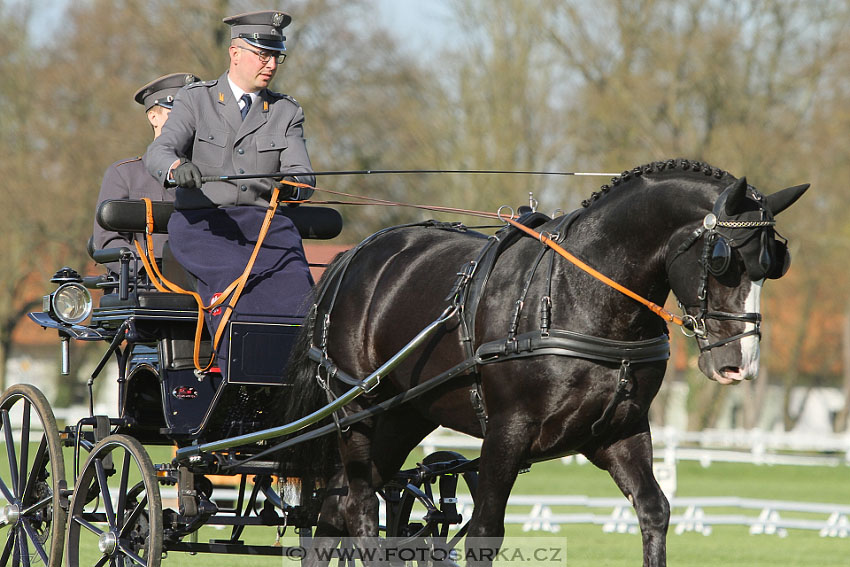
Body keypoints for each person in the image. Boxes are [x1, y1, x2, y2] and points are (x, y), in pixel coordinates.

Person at [144, 10, 317, 373]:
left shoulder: (286, 111)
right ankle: (234, 376)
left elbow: (302, 174)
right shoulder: (196, 100)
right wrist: (178, 169)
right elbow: (159, 152)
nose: (271, 64)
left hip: (266, 226)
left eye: (276, 56)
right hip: (204, 225)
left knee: (301, 297)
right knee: (240, 294)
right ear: (235, 53)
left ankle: (296, 384)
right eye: (262, 54)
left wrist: (295, 186)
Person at [92, 72, 200, 275]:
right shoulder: (125, 174)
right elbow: (107, 240)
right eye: (177, 114)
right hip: (145, 286)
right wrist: (148, 270)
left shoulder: (210, 175)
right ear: (153, 117)